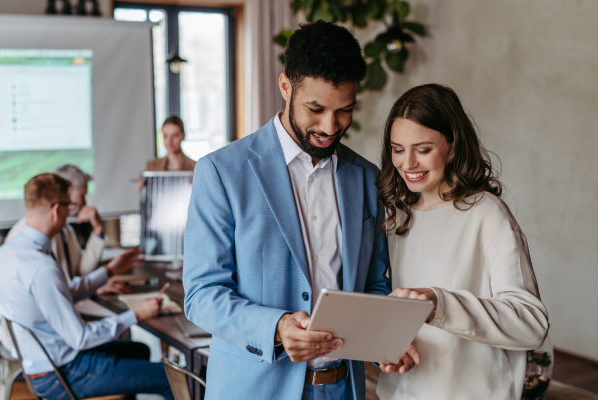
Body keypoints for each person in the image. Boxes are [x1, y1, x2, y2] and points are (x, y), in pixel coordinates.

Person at [183, 21, 418, 400]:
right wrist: (276, 326)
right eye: (316, 108)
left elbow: (373, 284)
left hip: (345, 388)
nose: (330, 126)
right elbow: (201, 294)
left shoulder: (366, 178)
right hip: (255, 388)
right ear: (285, 86)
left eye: (344, 111)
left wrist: (385, 343)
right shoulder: (221, 172)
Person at [374, 84, 549, 400]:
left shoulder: (487, 213)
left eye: (423, 149)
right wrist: (390, 347)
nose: (407, 163)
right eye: (397, 149)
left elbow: (531, 323)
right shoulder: (395, 217)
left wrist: (439, 303)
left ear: (453, 145)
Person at [0, 173, 172, 400]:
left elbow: (62, 293)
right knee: (170, 379)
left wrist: (108, 270)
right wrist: (135, 314)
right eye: (69, 206)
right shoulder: (42, 268)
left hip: (43, 364)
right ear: (56, 209)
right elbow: (81, 338)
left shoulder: (7, 254)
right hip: (61, 373)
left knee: (140, 350)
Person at [7, 165, 134, 294]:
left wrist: (98, 231)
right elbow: (52, 290)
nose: (85, 203)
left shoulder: (65, 230)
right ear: (69, 191)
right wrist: (105, 275)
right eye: (82, 195)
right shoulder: (26, 235)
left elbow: (80, 272)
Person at [136, 116, 196, 190]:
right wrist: (142, 189)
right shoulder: (151, 166)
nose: (169, 141)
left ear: (183, 136)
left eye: (175, 136)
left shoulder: (195, 166)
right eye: (165, 136)